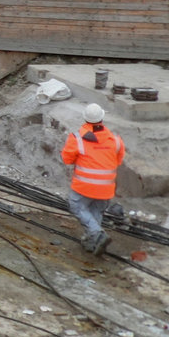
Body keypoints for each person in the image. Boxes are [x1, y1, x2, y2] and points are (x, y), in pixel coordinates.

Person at [62, 103, 125, 256]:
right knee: (96, 211)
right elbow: (118, 161)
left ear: (85, 118)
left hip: (84, 187)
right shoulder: (116, 140)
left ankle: (97, 233)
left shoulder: (77, 138)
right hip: (106, 189)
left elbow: (67, 159)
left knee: (77, 206)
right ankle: (92, 243)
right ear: (102, 118)